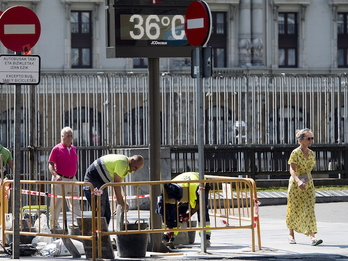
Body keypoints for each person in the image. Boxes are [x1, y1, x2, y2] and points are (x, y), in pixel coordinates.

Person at [286, 128, 323, 246]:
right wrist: (298, 181)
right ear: (301, 140)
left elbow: (309, 169)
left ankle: (312, 237)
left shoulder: (312, 153)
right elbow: (292, 169)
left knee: (309, 209)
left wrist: (305, 181)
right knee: (294, 208)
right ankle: (291, 234)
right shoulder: (295, 153)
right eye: (308, 138)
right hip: (296, 184)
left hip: (308, 183)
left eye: (312, 138)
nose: (310, 141)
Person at [83, 154, 144, 225]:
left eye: (137, 169)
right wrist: (121, 203)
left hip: (101, 182)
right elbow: (116, 184)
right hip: (93, 180)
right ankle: (97, 234)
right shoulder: (122, 163)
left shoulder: (128, 166)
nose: (135, 170)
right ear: (132, 161)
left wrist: (122, 202)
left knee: (106, 213)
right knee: (100, 211)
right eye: (135, 167)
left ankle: (103, 234)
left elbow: (119, 184)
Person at [161, 172, 211, 249]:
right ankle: (169, 237)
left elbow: (201, 204)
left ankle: (206, 238)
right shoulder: (172, 187)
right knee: (176, 213)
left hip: (197, 184)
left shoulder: (199, 187)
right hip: (185, 185)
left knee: (203, 211)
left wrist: (189, 214)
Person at [48, 126, 82, 229]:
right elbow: (50, 164)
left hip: (72, 179)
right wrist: (56, 175)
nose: (69, 138)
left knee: (75, 201)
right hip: (60, 179)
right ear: (62, 136)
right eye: (67, 136)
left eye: (71, 136)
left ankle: (77, 222)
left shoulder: (73, 149)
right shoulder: (56, 148)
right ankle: (53, 224)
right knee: (56, 203)